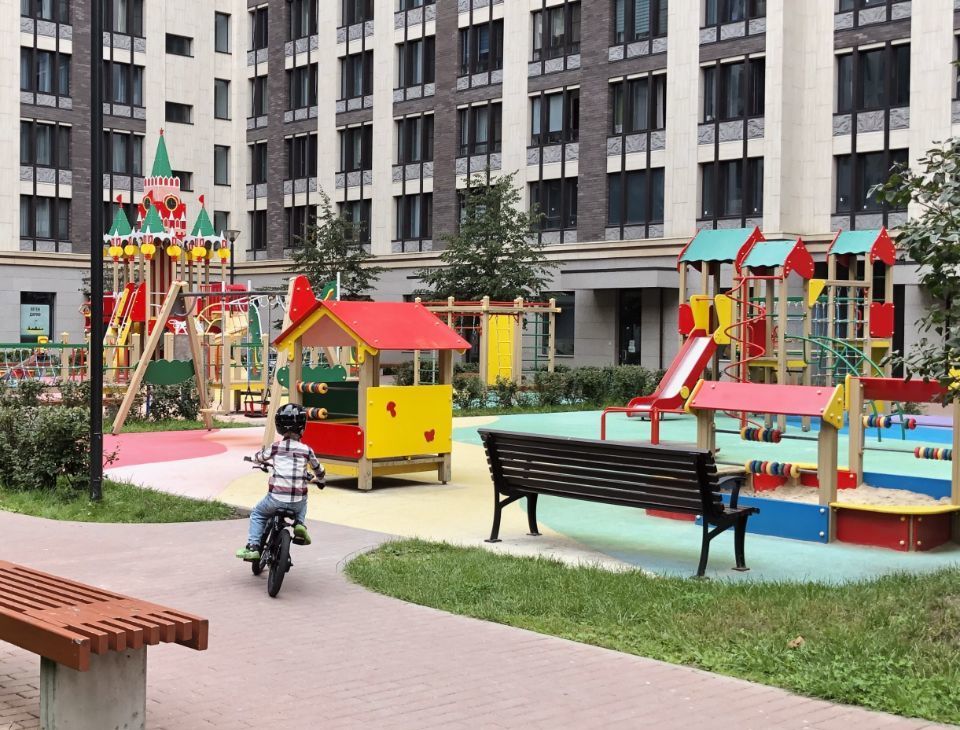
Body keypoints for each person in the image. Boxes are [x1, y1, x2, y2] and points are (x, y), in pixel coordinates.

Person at [236, 403, 325, 561]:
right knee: (304, 499)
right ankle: (299, 524)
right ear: (303, 427)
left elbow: (260, 457)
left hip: (275, 500)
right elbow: (319, 469)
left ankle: (253, 547)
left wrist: (255, 458)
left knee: (257, 514)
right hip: (296, 504)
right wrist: (320, 478)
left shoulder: (276, 447)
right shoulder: (306, 450)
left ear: (278, 427)